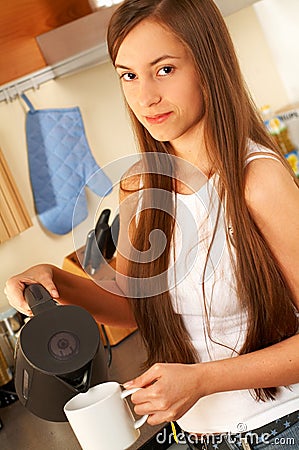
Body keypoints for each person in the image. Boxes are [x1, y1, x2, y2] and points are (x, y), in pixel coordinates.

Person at [5, 0, 299, 448]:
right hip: (199, 436)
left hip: (280, 430)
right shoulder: (140, 187)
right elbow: (134, 305)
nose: (145, 96)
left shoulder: (255, 180)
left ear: (207, 63)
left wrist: (200, 381)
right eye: (129, 75)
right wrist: (55, 283)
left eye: (164, 69)